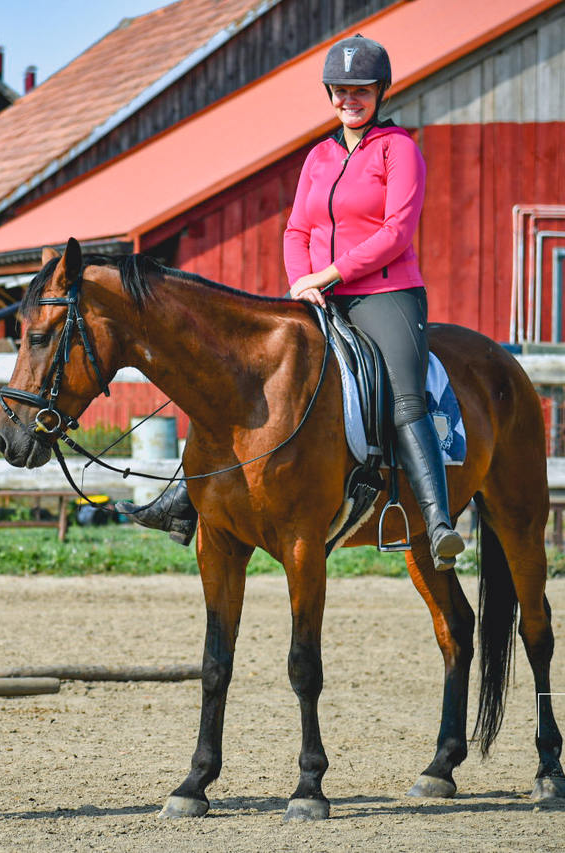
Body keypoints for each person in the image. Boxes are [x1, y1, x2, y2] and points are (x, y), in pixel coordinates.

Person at [120, 34, 465, 571]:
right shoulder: (320, 156)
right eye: (341, 90)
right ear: (330, 94)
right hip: (317, 293)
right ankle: (184, 503)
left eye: (361, 90)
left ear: (380, 93)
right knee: (238, 379)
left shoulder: (399, 150)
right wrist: (303, 280)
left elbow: (396, 233)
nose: (349, 99)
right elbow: (297, 227)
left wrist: (328, 274)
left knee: (405, 399)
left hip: (385, 294)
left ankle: (438, 521)